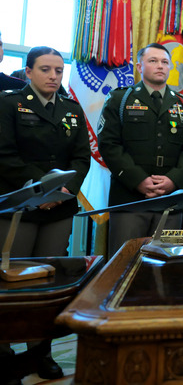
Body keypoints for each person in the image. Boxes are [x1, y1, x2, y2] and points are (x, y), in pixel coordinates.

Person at [0, 46, 90, 383]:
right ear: (28, 71)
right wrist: (40, 191)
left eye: (58, 70)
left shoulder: (71, 109)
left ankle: (42, 352)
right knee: (13, 281)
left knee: (50, 282)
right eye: (45, 69)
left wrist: (61, 191)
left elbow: (82, 158)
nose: (53, 76)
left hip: (59, 208)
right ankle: (5, 353)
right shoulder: (9, 103)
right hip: (19, 205)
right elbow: (4, 154)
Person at [97, 43, 183, 256]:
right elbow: (109, 144)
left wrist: (174, 179)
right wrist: (138, 181)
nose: (160, 66)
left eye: (164, 62)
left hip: (170, 200)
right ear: (139, 66)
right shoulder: (120, 99)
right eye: (153, 61)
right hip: (129, 199)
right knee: (123, 264)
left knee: (164, 269)